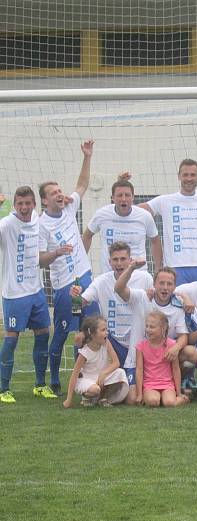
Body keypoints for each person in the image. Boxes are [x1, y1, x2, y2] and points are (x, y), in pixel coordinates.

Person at [38, 139, 100, 395]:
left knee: (92, 329)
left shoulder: (70, 207)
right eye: (53, 193)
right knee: (64, 333)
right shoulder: (41, 225)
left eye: (59, 190)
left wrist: (87, 156)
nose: (60, 194)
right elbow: (41, 260)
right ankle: (53, 381)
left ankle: (84, 379)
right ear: (44, 201)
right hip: (66, 287)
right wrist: (57, 252)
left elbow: (83, 184)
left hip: (85, 279)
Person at [0, 187, 60, 403]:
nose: (24, 208)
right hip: (14, 294)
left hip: (36, 291)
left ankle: (40, 385)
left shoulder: (37, 219)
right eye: (20, 204)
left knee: (43, 333)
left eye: (28, 203)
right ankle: (3, 388)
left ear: (34, 204)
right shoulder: (6, 225)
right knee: (11, 339)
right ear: (14, 205)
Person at [140, 158, 197, 285]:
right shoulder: (165, 200)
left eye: (193, 175)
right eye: (185, 175)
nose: (189, 178)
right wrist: (122, 186)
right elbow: (137, 211)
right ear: (179, 176)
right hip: (175, 267)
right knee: (177, 304)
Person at [114, 262, 195, 391]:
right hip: (138, 361)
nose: (165, 287)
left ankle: (185, 381)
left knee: (191, 352)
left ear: (174, 286)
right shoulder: (142, 297)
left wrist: (175, 348)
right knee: (131, 398)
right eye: (161, 283)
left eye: (169, 284)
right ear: (154, 284)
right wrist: (131, 267)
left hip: (164, 362)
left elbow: (183, 336)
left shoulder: (178, 307)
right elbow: (118, 288)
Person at [75, 242, 153, 368]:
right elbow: (79, 306)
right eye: (115, 259)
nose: (119, 263)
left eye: (123, 259)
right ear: (109, 262)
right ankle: (83, 376)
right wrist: (75, 296)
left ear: (130, 260)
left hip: (140, 338)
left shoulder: (145, 278)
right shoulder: (101, 281)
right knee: (81, 338)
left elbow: (156, 306)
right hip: (112, 340)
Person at [83, 178, 162, 273]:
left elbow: (155, 241)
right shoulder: (102, 214)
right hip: (110, 275)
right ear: (113, 198)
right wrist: (82, 263)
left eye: (127, 195)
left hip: (138, 274)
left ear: (133, 197)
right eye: (119, 195)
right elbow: (87, 236)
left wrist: (158, 268)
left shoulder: (144, 216)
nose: (123, 199)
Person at [62, 316, 129, 408]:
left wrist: (104, 373)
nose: (106, 332)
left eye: (106, 329)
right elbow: (74, 376)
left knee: (120, 373)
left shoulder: (106, 343)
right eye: (103, 330)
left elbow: (116, 362)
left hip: (102, 377)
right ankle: (88, 398)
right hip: (87, 380)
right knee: (95, 389)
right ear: (93, 334)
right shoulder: (84, 353)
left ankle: (103, 398)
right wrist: (69, 399)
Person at [135, 311, 189, 408]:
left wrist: (178, 392)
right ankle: (159, 398)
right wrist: (139, 394)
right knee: (153, 402)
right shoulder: (141, 346)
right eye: (147, 326)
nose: (148, 329)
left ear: (163, 328)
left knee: (169, 403)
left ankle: (183, 398)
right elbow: (139, 370)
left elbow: (176, 369)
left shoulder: (172, 345)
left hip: (167, 383)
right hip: (150, 384)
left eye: (152, 327)